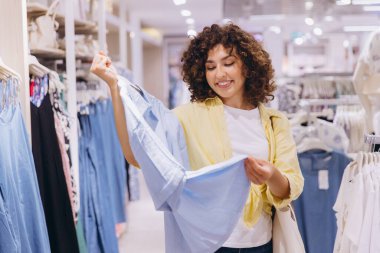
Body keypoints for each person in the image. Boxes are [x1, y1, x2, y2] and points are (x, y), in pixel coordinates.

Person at [91, 23, 304, 253]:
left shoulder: (275, 122)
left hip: (261, 244)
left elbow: (289, 187)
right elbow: (137, 155)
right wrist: (114, 87)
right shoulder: (188, 116)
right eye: (210, 67)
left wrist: (271, 175)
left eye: (228, 63)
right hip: (209, 246)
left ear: (248, 66)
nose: (219, 74)